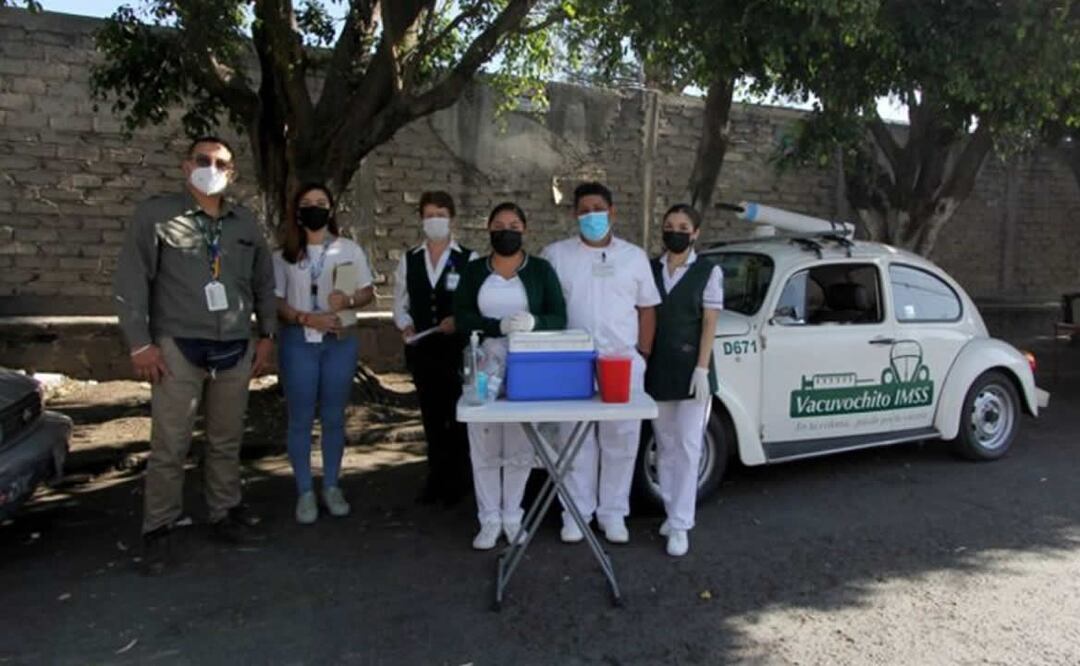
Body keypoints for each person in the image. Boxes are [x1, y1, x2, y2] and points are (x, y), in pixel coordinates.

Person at [113, 135, 276, 574]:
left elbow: (263, 282)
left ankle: (225, 511)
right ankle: (159, 528)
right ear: (186, 167)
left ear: (232, 172)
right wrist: (140, 343)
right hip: (177, 346)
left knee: (226, 439)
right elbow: (132, 282)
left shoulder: (244, 224)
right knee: (170, 442)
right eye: (203, 160)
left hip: (235, 346)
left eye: (221, 162)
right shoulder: (156, 215)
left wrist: (267, 335)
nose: (212, 167)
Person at [541, 182, 661, 545]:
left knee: (621, 441)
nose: (591, 215)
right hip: (572, 361)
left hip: (623, 360)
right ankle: (576, 513)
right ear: (575, 215)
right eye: (584, 210)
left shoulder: (634, 257)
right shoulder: (556, 255)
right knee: (574, 442)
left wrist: (642, 353)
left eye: (598, 208)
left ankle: (613, 514)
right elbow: (546, 306)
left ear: (612, 212)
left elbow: (647, 308)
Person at [454, 202, 567, 549]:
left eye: (514, 224)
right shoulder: (474, 272)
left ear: (525, 231)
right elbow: (461, 316)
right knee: (484, 442)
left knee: (519, 442)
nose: (507, 230)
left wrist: (534, 323)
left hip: (526, 363)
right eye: (500, 224)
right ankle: (489, 519)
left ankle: (513, 517)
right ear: (489, 230)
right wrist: (494, 326)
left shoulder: (541, 270)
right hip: (482, 362)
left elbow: (559, 317)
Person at [273, 184, 375, 524]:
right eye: (307, 204)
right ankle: (304, 491)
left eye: (321, 203)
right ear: (296, 212)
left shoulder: (349, 249)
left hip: (339, 343)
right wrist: (305, 317)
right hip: (299, 342)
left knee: (333, 417)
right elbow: (276, 302)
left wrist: (347, 302)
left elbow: (366, 292)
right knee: (300, 418)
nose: (314, 208)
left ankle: (331, 485)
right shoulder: (284, 255)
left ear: (331, 210)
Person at [645, 204, 723, 557]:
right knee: (665, 446)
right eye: (669, 225)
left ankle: (681, 524)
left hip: (694, 369)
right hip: (660, 368)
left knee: (690, 446)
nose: (674, 231)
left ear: (695, 234)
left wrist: (703, 369)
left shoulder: (708, 271)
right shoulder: (651, 269)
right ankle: (671, 511)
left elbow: (709, 322)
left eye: (682, 226)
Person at [392, 191, 477, 504]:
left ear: (451, 217)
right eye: (429, 215)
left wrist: (460, 319)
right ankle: (436, 479)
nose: (435, 220)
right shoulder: (410, 259)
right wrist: (406, 325)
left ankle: (459, 480)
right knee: (431, 414)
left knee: (458, 415)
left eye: (440, 213)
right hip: (424, 349)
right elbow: (400, 303)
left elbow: (476, 303)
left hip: (455, 349)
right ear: (421, 220)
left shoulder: (469, 257)